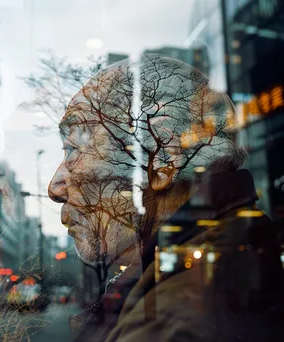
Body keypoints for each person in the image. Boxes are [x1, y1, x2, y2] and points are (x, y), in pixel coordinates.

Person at [48, 54, 284, 341]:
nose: (54, 188)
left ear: (162, 156)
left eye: (73, 149)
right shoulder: (192, 270)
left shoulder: (179, 314)